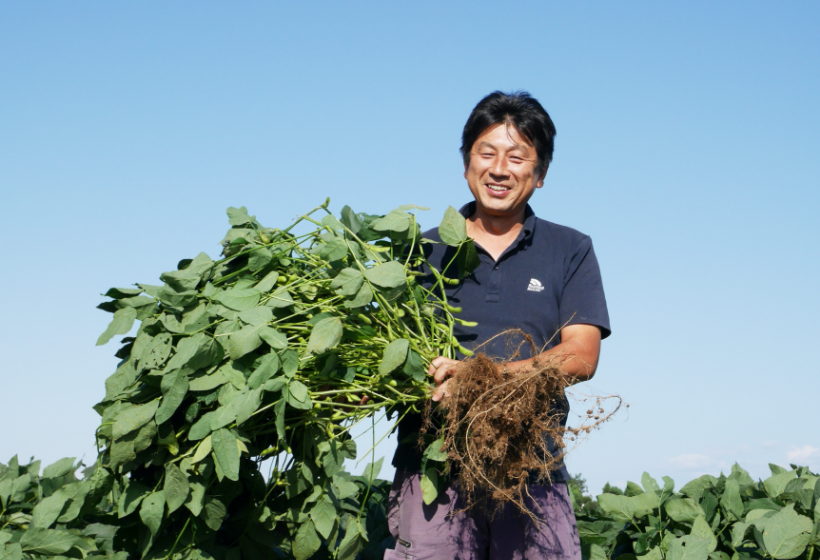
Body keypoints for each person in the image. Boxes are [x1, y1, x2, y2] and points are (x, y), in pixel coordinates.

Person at [385, 91, 611, 560]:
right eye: (486, 153)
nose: (499, 168)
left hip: (532, 470)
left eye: (517, 156)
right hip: (432, 471)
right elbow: (388, 350)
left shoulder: (570, 249)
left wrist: (477, 376)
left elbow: (581, 356)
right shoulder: (417, 253)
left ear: (541, 173)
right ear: (467, 163)